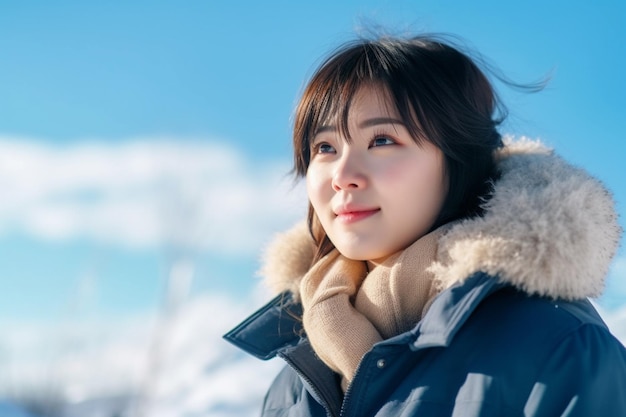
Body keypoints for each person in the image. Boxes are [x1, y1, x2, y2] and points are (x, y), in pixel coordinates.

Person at [224, 33, 626, 416]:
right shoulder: (293, 383)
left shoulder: (555, 347)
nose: (343, 174)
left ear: (459, 161)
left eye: (382, 140)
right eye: (325, 147)